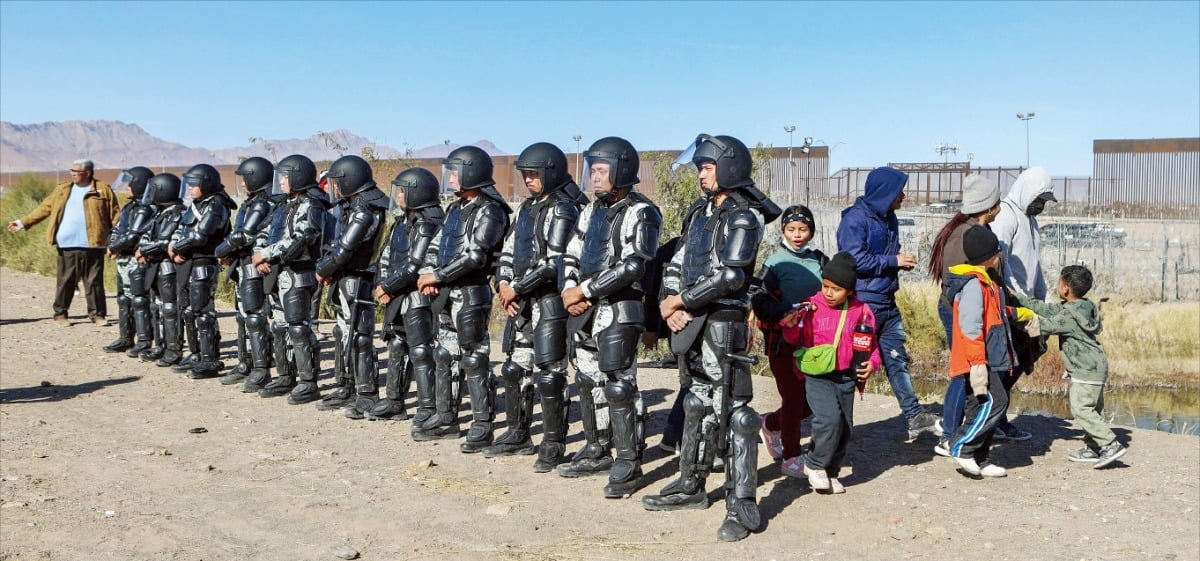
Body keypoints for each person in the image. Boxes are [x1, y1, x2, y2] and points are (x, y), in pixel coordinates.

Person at [642, 134, 780, 542]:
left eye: (706, 166)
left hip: (724, 323)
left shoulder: (744, 215)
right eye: (700, 166)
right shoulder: (702, 212)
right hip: (690, 320)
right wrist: (669, 299)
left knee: (737, 415)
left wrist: (682, 300)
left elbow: (732, 275)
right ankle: (691, 484)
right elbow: (679, 258)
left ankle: (742, 503)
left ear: (729, 168)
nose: (701, 173)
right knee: (696, 403)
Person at [556, 136, 661, 498]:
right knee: (587, 380)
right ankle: (596, 448)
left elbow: (634, 264)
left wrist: (584, 291)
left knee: (619, 384)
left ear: (622, 170)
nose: (594, 177)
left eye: (601, 171)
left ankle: (629, 462)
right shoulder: (590, 210)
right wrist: (570, 290)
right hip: (585, 310)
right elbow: (570, 253)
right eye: (592, 170)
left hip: (620, 308)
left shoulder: (643, 212)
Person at [486, 142, 584, 467]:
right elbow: (508, 251)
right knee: (515, 369)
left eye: (533, 174)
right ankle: (517, 433)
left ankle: (554, 442)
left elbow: (554, 261)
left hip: (550, 302)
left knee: (550, 374)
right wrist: (502, 283)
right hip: (521, 302)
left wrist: (516, 288)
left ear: (550, 173)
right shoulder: (527, 208)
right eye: (525, 174)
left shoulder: (564, 208)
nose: (528, 179)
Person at [413, 146, 512, 447]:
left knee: (474, 358)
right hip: (446, 292)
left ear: (471, 172)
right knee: (444, 355)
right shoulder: (455, 209)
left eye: (455, 171)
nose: (451, 177)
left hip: (471, 293)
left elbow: (476, 257)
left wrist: (437, 276)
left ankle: (482, 423)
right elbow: (436, 244)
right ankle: (446, 416)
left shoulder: (490, 210)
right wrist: (428, 273)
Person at [835, 166, 939, 440]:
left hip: (887, 302)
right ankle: (835, 429)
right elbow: (853, 260)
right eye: (898, 192)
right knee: (852, 368)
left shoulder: (889, 218)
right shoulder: (854, 221)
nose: (903, 196)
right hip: (864, 307)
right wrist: (893, 261)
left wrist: (896, 264)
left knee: (896, 359)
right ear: (885, 193)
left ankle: (914, 415)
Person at [778, 252, 879, 493]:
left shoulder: (862, 311)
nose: (829, 293)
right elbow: (793, 338)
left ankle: (830, 472)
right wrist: (790, 326)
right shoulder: (810, 307)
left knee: (845, 427)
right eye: (826, 286)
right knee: (828, 420)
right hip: (818, 376)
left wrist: (872, 364)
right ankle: (814, 464)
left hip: (846, 376)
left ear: (850, 291)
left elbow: (872, 345)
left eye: (837, 289)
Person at [1013, 265, 1126, 469]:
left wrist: (1013, 315)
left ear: (1065, 287)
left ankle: (1110, 444)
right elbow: (1049, 310)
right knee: (1094, 409)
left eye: (1058, 282)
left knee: (1081, 408)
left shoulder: (1068, 316)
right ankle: (1094, 447)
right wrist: (1020, 298)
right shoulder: (1083, 306)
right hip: (1096, 365)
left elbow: (1042, 326)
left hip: (1085, 368)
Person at [944, 226, 1030, 478]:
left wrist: (1025, 316)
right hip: (980, 360)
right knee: (995, 401)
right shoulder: (973, 285)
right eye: (997, 251)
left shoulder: (990, 282)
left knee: (982, 404)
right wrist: (978, 363)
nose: (1000, 255)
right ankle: (961, 446)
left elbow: (998, 314)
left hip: (994, 357)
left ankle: (980, 458)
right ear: (989, 255)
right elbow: (970, 326)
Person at [927, 174, 1003, 455]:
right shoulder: (964, 235)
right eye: (998, 201)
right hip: (959, 312)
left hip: (965, 311)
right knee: (963, 372)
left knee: (968, 372)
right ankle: (949, 435)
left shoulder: (969, 230)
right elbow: (959, 283)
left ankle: (964, 428)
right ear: (989, 206)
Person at [750, 205, 828, 463]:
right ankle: (792, 456)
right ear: (783, 230)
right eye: (791, 229)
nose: (797, 234)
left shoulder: (820, 260)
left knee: (812, 402)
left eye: (803, 229)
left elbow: (833, 292)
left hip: (814, 341)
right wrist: (785, 311)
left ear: (811, 231)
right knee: (793, 398)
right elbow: (759, 300)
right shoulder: (774, 262)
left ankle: (771, 424)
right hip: (782, 342)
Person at [315, 155, 391, 419]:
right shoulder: (354, 206)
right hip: (345, 278)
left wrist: (322, 270)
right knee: (343, 334)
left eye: (337, 182)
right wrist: (329, 270)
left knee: (359, 338)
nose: (333, 188)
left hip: (358, 279)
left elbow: (346, 248)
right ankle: (346, 386)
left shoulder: (364, 209)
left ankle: (367, 394)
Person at [252, 154, 330, 403]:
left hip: (299, 273)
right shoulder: (283, 205)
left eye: (285, 176)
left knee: (298, 328)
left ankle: (308, 381)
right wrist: (260, 252)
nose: (281, 182)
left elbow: (303, 238)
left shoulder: (312, 205)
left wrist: (267, 253)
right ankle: (285, 375)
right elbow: (265, 230)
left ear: (297, 177)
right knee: (279, 326)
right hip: (277, 273)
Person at [372, 167, 445, 424]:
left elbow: (414, 266)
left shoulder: (426, 225)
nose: (399, 196)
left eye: (403, 191)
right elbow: (387, 256)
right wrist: (384, 283)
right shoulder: (402, 222)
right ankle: (394, 400)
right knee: (396, 345)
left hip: (417, 297)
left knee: (421, 351)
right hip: (398, 295)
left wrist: (387, 287)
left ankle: (427, 406)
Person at [8, 159, 120, 324]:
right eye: (71, 171)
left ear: (87, 173)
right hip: (67, 243)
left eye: (76, 171)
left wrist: (116, 242)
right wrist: (23, 222)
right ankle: (61, 314)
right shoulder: (62, 189)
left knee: (94, 281)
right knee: (66, 280)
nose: (72, 174)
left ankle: (98, 315)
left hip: (94, 243)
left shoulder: (103, 190)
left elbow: (115, 216)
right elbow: (44, 208)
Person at [990, 166, 1057, 440]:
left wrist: (1044, 296)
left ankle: (997, 416)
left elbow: (1034, 265)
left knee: (1025, 358)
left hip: (1029, 303)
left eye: (1044, 201)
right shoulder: (1006, 215)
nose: (1041, 205)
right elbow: (1000, 261)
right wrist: (1017, 297)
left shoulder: (1030, 220)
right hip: (1012, 303)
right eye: (1038, 198)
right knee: (1008, 363)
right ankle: (993, 417)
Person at [214, 157, 282, 387]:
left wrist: (221, 250)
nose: (242, 183)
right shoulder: (252, 201)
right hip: (243, 263)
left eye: (245, 178)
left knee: (255, 317)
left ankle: (261, 368)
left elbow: (245, 234)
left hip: (254, 265)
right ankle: (245, 363)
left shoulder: (263, 203)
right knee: (243, 316)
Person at [169, 164, 237, 379]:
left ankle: (210, 359)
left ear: (206, 183)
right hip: (189, 260)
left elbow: (200, 235)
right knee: (188, 311)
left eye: (194, 184)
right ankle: (196, 353)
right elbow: (182, 229)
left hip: (204, 262)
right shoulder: (197, 204)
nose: (189, 188)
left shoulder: (217, 204)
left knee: (203, 311)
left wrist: (178, 247)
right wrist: (173, 247)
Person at [134, 173, 187, 365]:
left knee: (171, 307)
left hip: (168, 266)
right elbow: (146, 234)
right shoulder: (159, 213)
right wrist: (144, 247)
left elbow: (164, 241)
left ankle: (173, 348)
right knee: (156, 306)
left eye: (154, 190)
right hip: (155, 264)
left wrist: (144, 249)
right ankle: (160, 344)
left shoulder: (177, 213)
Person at [103, 166, 157, 352]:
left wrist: (114, 247)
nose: (126, 186)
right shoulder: (129, 207)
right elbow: (118, 229)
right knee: (123, 299)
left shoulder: (146, 209)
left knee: (140, 300)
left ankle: (144, 340)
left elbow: (133, 235)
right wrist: (112, 243)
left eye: (130, 183)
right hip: (124, 259)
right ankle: (125, 337)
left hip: (138, 260)